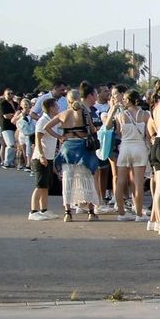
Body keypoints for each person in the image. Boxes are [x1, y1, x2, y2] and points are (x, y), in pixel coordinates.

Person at [48, 83, 102, 221]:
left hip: (68, 148)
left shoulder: (63, 114)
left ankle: (68, 212)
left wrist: (59, 137)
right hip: (83, 148)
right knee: (86, 180)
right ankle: (91, 211)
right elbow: (92, 129)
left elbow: (46, 127)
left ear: (68, 100)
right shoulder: (84, 113)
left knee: (67, 181)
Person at [110, 89, 150, 221]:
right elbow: (148, 136)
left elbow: (118, 132)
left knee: (120, 181)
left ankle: (121, 213)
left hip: (125, 147)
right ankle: (139, 213)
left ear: (128, 100)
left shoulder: (120, 115)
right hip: (140, 147)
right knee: (138, 183)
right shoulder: (145, 114)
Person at [26, 95, 62, 220]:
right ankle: (33, 211)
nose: (58, 107)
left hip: (50, 156)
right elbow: (38, 139)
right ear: (51, 108)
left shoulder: (52, 120)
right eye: (56, 106)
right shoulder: (42, 120)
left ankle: (44, 209)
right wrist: (41, 155)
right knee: (40, 185)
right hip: (40, 157)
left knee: (46, 185)